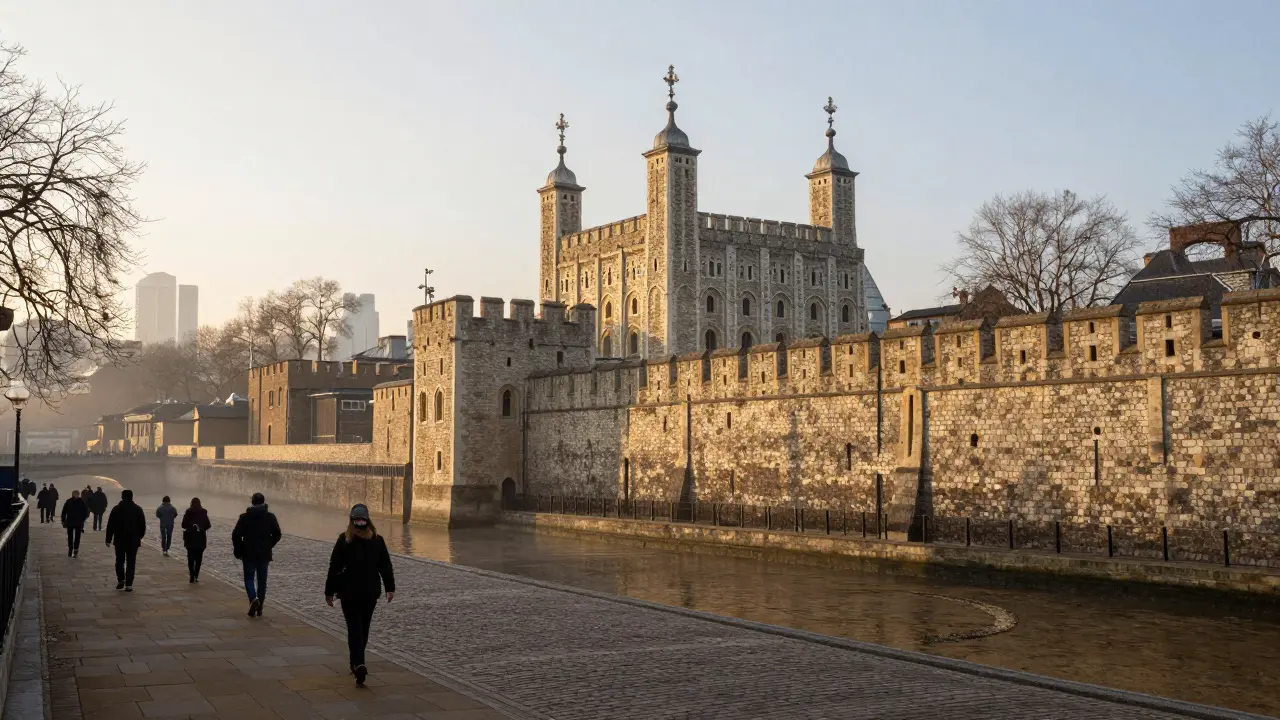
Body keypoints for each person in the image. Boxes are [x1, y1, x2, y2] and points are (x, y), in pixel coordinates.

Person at [325, 504, 395, 688]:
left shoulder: (344, 540)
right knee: (363, 628)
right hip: (370, 592)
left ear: (351, 521)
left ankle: (358, 662)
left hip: (349, 592)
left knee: (354, 628)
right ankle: (357, 661)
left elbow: (334, 567)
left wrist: (329, 591)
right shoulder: (377, 540)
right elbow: (385, 566)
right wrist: (390, 588)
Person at [231, 493, 281, 617]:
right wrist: (269, 545)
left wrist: (239, 549)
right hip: (264, 554)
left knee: (249, 578)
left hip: (248, 553)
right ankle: (260, 607)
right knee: (262, 580)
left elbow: (236, 535)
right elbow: (277, 534)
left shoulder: (245, 517)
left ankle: (253, 598)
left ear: (252, 502)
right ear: (264, 502)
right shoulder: (270, 517)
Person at [104, 489, 146, 591]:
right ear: (132, 497)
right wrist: (139, 537)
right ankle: (129, 584)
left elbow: (110, 525)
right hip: (133, 540)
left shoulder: (116, 509)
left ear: (122, 497)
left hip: (119, 539)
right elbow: (142, 526)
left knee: (119, 560)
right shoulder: (138, 509)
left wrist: (108, 539)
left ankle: (121, 579)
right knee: (131, 562)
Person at [181, 498, 211, 583]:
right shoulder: (203, 512)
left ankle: (191, 576)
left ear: (191, 503)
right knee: (199, 558)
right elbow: (208, 525)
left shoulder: (188, 512)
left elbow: (183, 525)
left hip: (190, 537)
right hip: (200, 538)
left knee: (190, 557)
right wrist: (201, 528)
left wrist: (191, 526)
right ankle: (196, 575)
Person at [60, 490, 90, 558]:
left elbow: (85, 512)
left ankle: (75, 549)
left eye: (77, 494)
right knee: (71, 537)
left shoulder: (80, 502)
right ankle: (71, 549)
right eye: (75, 494)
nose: (76, 495)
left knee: (76, 537)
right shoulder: (70, 501)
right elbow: (64, 511)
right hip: (71, 522)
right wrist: (63, 520)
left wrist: (83, 519)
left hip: (77, 522)